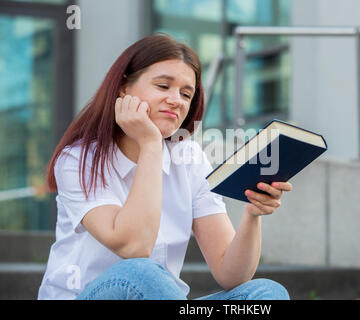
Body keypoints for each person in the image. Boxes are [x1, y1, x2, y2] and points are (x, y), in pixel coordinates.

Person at [37, 34, 292, 300]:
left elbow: (231, 275)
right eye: (163, 86)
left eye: (186, 93)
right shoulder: (78, 159)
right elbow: (135, 247)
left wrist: (252, 215)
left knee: (266, 293)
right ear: (124, 87)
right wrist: (150, 144)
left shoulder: (190, 158)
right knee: (140, 273)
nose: (176, 100)